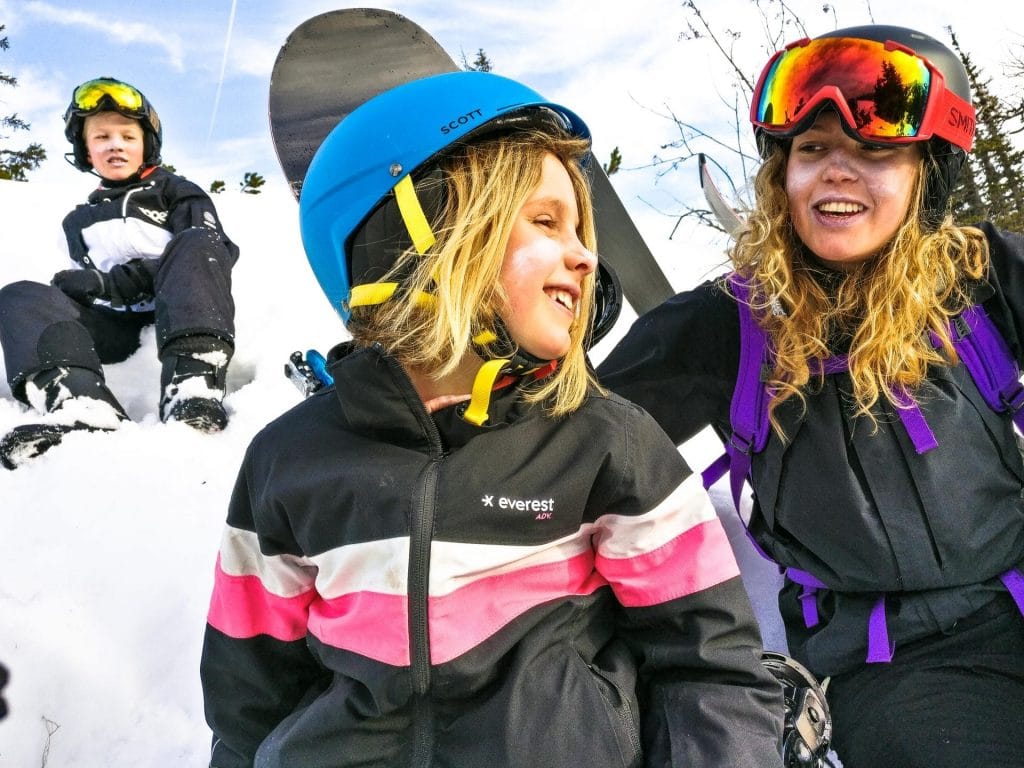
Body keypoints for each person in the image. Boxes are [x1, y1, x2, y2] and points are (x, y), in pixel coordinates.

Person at [199, 70, 784, 768]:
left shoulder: (605, 441)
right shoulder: (290, 461)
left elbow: (709, 665)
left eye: (580, 228)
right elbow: (247, 703)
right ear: (410, 235)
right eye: (544, 221)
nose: (585, 254)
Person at [598, 24, 1024, 768]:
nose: (837, 172)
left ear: (930, 169)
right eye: (813, 149)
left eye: (874, 150)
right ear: (782, 173)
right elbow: (570, 438)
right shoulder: (725, 327)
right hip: (899, 662)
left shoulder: (982, 281)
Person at [0, 77, 238, 468]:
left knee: (196, 242)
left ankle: (192, 384)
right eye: (102, 137)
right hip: (114, 328)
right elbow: (85, 288)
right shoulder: (77, 221)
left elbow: (214, 250)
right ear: (85, 150)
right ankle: (82, 404)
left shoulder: (176, 192)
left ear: (147, 144)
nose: (115, 145)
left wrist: (109, 283)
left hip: (178, 314)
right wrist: (78, 292)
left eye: (127, 136)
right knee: (20, 295)